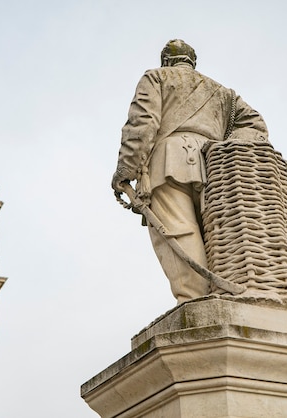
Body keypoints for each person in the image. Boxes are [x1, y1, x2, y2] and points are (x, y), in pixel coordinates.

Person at [112, 39, 269, 304]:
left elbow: (143, 123)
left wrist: (126, 168)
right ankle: (227, 296)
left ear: (166, 61)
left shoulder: (157, 78)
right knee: (217, 232)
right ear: (192, 62)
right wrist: (226, 148)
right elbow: (256, 125)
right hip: (216, 165)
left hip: (168, 162)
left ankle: (195, 301)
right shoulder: (223, 93)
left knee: (179, 230)